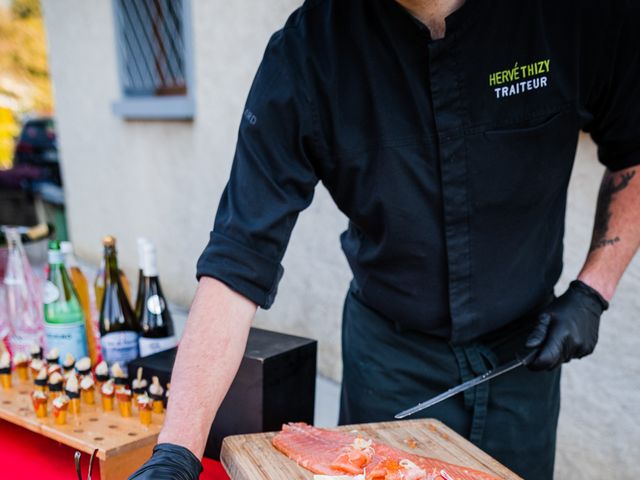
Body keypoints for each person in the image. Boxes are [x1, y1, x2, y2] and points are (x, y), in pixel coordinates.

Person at [130, 0, 640, 478]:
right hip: (390, 360)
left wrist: (593, 292)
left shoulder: (578, 15)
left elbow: (633, 152)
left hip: (524, 359)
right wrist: (176, 452)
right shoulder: (309, 52)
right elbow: (236, 261)